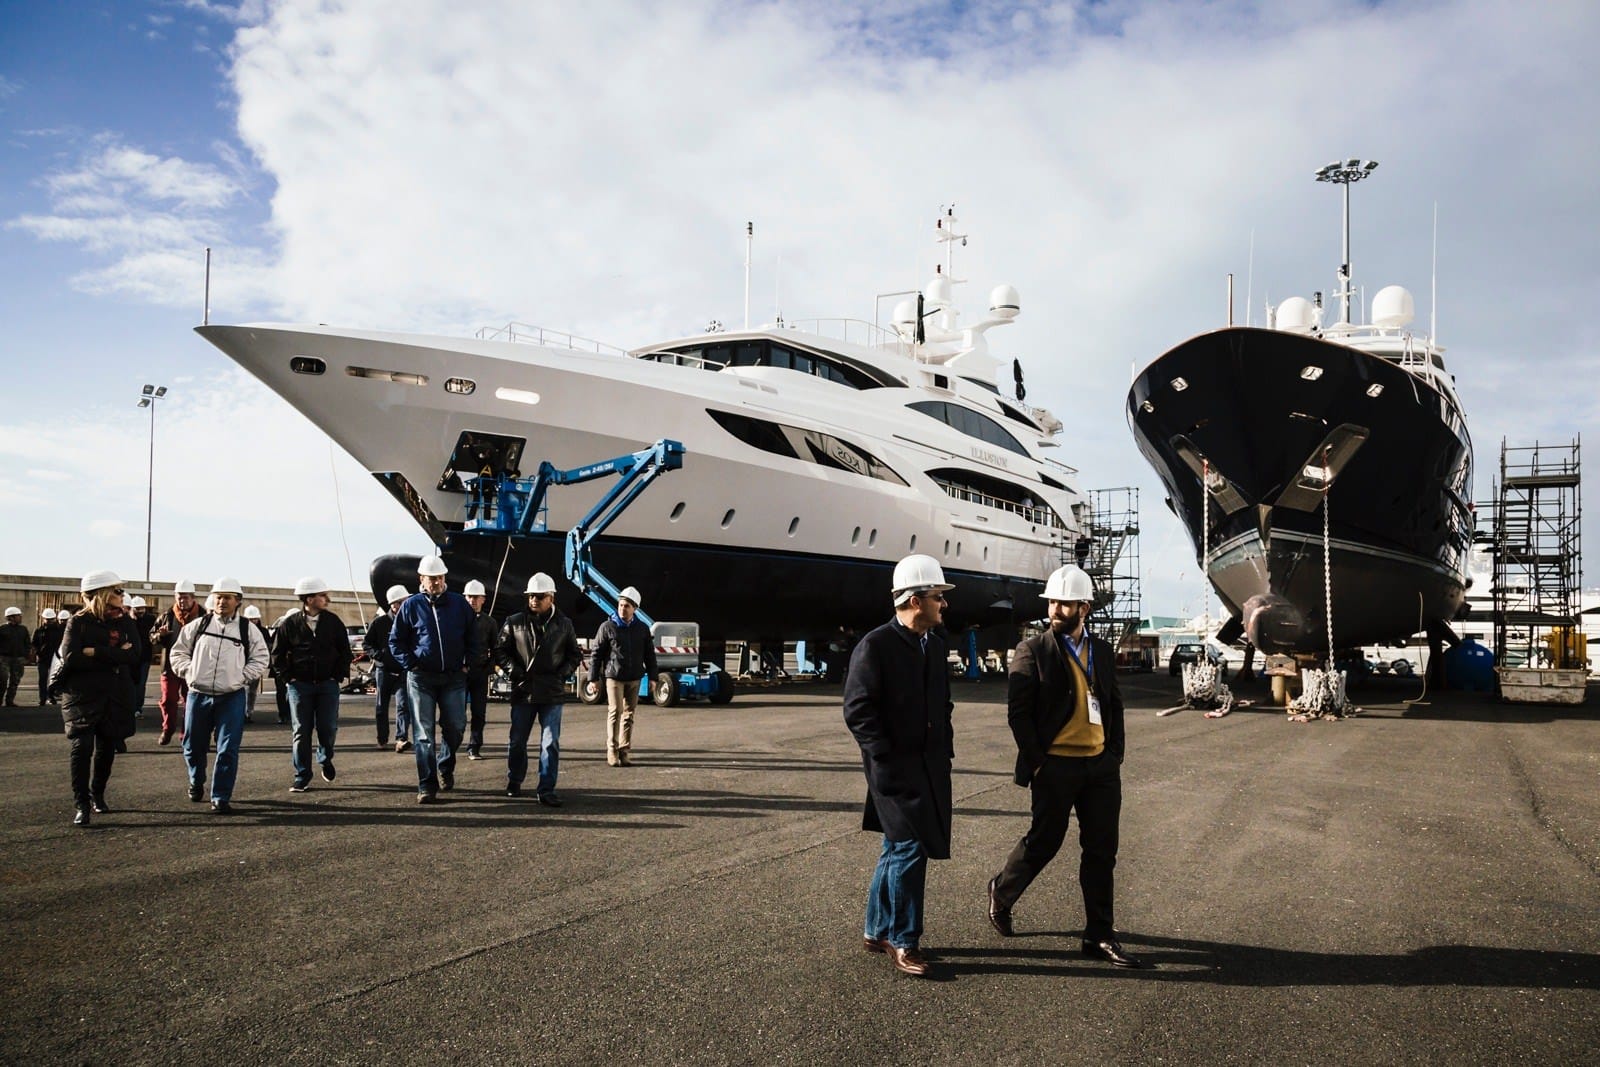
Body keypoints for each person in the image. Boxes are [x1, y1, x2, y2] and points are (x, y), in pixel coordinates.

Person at [985, 564, 1144, 968]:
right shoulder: (1032, 651)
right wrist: (1038, 763)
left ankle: (1099, 935)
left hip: (1100, 769)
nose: (1056, 609)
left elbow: (1113, 705)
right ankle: (1002, 892)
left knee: (1101, 851)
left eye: (1064, 603)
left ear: (1084, 608)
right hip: (1056, 767)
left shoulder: (1102, 652)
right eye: (1052, 602)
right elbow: (1018, 714)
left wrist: (1115, 753)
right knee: (1045, 841)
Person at [842, 554, 955, 978]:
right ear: (913, 600)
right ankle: (904, 940)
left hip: (928, 765)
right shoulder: (875, 645)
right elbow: (857, 710)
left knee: (896, 847)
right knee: (910, 847)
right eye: (937, 597)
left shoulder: (935, 645)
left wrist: (945, 747)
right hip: (892, 770)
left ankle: (875, 930)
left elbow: (942, 703)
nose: (943, 604)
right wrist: (882, 757)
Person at [169, 578, 269, 815]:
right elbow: (178, 652)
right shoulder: (198, 625)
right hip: (198, 695)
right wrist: (189, 671)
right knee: (193, 746)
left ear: (238, 601)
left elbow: (261, 657)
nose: (222, 601)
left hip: (231, 697)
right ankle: (196, 780)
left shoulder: (248, 629)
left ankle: (220, 796)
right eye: (218, 597)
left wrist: (242, 676)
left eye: (227, 597)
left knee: (228, 749)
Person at [390, 555, 481, 804]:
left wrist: (467, 665)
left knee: (456, 727)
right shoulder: (411, 606)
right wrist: (412, 664)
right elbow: (395, 641)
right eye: (432, 578)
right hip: (421, 679)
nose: (437, 582)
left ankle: (445, 765)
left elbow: (475, 638)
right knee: (423, 735)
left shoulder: (459, 605)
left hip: (454, 677)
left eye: (440, 577)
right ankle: (427, 785)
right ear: (422, 579)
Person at [55, 572, 142, 826]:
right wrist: (115, 653)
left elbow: (135, 654)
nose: (121, 595)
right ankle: (81, 803)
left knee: (107, 747)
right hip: (82, 695)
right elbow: (72, 657)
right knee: (82, 748)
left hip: (115, 693)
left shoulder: (125, 622)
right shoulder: (78, 622)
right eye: (116, 591)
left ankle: (98, 794)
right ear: (102, 594)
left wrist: (96, 652)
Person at [496, 573, 582, 805]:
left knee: (550, 742)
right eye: (531, 596)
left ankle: (546, 790)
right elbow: (500, 650)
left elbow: (575, 655)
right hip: (524, 689)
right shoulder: (514, 622)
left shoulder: (565, 625)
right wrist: (515, 672)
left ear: (551, 598)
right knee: (517, 741)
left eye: (539, 596)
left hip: (551, 692)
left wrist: (561, 674)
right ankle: (514, 780)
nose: (533, 599)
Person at [272, 577, 353, 793]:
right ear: (309, 599)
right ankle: (302, 776)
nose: (327, 599)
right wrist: (288, 678)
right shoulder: (289, 625)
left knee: (327, 728)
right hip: (300, 687)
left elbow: (345, 652)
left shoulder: (334, 622)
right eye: (322, 595)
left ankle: (325, 758)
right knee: (301, 731)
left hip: (328, 685)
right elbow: (277, 655)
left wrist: (338, 676)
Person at [586, 586, 656, 767]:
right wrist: (593, 678)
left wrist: (653, 678)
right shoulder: (607, 627)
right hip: (614, 677)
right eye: (621, 605)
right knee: (615, 711)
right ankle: (612, 749)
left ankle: (624, 751)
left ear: (635, 609)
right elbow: (596, 653)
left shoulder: (642, 629)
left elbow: (650, 654)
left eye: (626, 606)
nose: (622, 608)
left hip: (634, 678)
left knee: (629, 715)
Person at [154, 579, 204, 745]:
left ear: (193, 598)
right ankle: (168, 729)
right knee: (168, 700)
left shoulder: (204, 616)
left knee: (191, 701)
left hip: (194, 666)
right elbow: (151, 637)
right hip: (170, 667)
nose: (182, 601)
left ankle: (186, 734)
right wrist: (159, 636)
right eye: (179, 597)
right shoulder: (166, 616)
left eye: (186, 597)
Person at [364, 585, 412, 750]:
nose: (407, 604)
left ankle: (401, 738)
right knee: (381, 707)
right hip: (384, 672)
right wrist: (379, 656)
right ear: (394, 604)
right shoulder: (380, 623)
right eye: (404, 601)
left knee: (404, 705)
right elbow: (367, 643)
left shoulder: (410, 622)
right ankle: (382, 739)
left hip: (404, 671)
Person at [463, 578, 499, 760]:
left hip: (480, 673)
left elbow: (496, 648)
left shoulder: (489, 623)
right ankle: (453, 742)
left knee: (479, 713)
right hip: (459, 674)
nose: (472, 601)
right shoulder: (457, 620)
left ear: (483, 599)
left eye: (476, 597)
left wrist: (489, 668)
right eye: (469, 597)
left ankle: (474, 747)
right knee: (456, 714)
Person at [127, 597, 157, 716]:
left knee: (140, 684)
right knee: (130, 683)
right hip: (130, 658)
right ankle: (129, 706)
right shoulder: (128, 621)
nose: (141, 611)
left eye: (142, 608)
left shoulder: (150, 619)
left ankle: (137, 707)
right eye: (138, 609)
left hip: (144, 657)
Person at [32, 608, 66, 706]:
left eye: (51, 619)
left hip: (55, 659)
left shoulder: (59, 630)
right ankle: (42, 698)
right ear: (43, 619)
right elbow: (34, 644)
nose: (49, 621)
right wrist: (38, 653)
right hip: (43, 659)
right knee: (42, 679)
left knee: (54, 679)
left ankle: (51, 697)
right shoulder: (39, 630)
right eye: (47, 619)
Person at [241, 605, 266, 722]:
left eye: (255, 619)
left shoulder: (263, 632)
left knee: (252, 691)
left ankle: (249, 712)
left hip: (255, 665)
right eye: (251, 619)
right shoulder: (240, 629)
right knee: (242, 690)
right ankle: (242, 713)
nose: (253, 621)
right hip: (241, 665)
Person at [0, 606, 29, 706]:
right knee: (2, 680)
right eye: (18, 616)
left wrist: (26, 656)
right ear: (10, 617)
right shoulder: (2, 629)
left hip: (18, 659)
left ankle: (9, 701)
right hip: (4, 658)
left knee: (15, 681)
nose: (20, 618)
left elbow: (27, 644)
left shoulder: (23, 629)